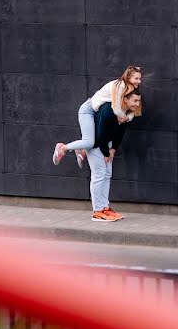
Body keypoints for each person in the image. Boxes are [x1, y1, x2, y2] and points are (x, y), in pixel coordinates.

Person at [52, 65, 143, 168]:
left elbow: (130, 111)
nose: (139, 81)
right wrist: (123, 117)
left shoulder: (129, 89)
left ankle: (82, 150)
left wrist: (127, 118)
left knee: (91, 140)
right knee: (89, 142)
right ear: (128, 77)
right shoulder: (120, 86)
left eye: (140, 78)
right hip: (88, 110)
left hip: (96, 110)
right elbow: (116, 108)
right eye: (136, 78)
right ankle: (63, 148)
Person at [83, 90, 141, 222]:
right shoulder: (108, 109)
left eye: (138, 101)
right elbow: (100, 132)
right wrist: (105, 152)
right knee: (99, 174)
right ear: (125, 99)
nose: (137, 104)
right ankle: (97, 212)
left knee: (107, 174)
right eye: (135, 101)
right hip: (96, 143)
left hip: (107, 144)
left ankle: (104, 208)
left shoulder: (127, 113)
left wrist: (113, 149)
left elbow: (120, 133)